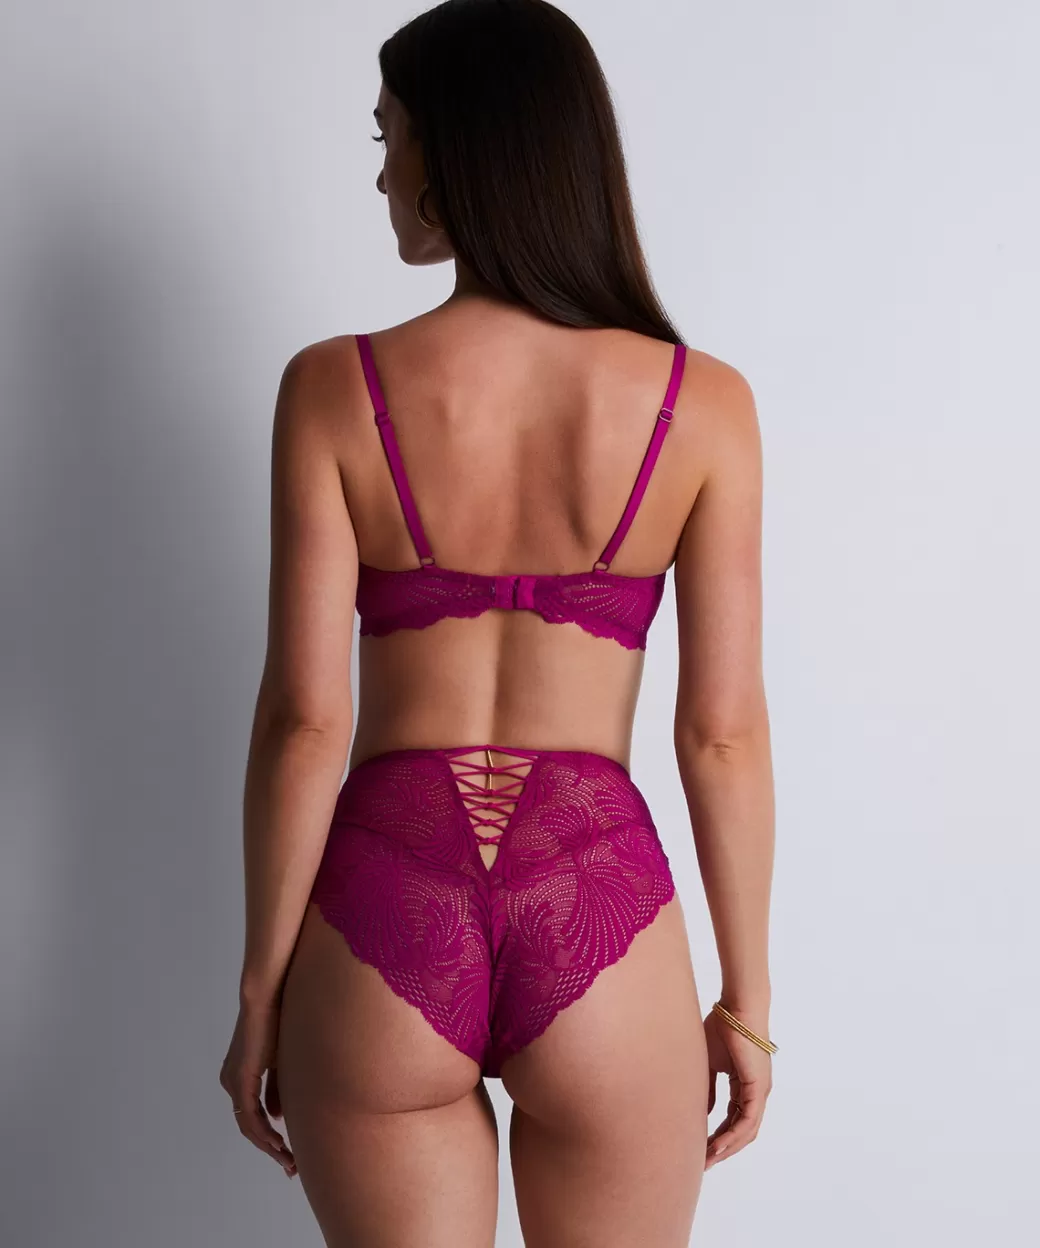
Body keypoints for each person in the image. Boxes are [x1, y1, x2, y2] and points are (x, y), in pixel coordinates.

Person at [219, 2, 776, 1244]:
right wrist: (744, 1002)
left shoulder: (332, 388)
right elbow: (720, 735)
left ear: (461, 149)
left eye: (391, 137)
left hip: (385, 893)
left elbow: (305, 721)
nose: (380, 174)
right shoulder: (702, 406)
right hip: (595, 886)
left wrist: (260, 991)